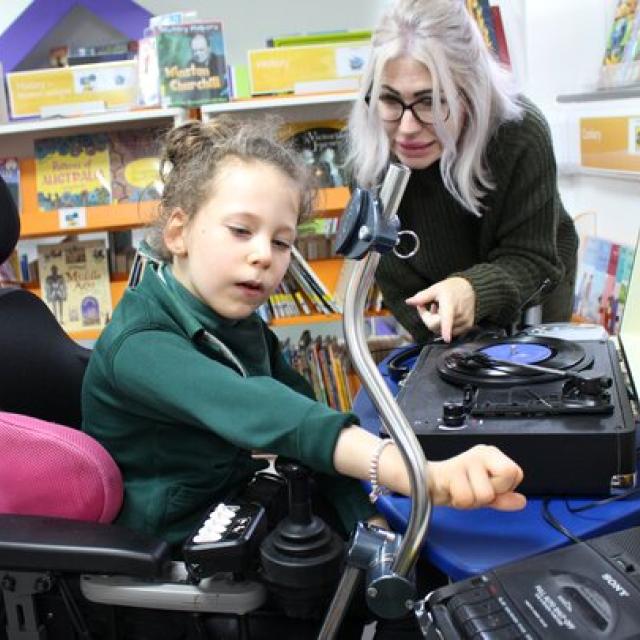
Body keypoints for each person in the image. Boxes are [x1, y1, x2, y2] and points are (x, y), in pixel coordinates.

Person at [81, 116, 525, 636]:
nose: (262, 256)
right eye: (241, 231)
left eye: (282, 241)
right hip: (169, 571)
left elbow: (308, 417)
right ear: (178, 231)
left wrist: (368, 518)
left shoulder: (238, 323)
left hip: (232, 513)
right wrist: (423, 477)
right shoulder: (142, 343)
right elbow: (269, 413)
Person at [347, 0, 579, 344]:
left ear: (472, 91)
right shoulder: (371, 154)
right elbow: (395, 279)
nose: (407, 128)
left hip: (535, 296)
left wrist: (473, 290)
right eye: (391, 100)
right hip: (440, 316)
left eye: (431, 101)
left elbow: (531, 257)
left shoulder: (519, 133)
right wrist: (439, 333)